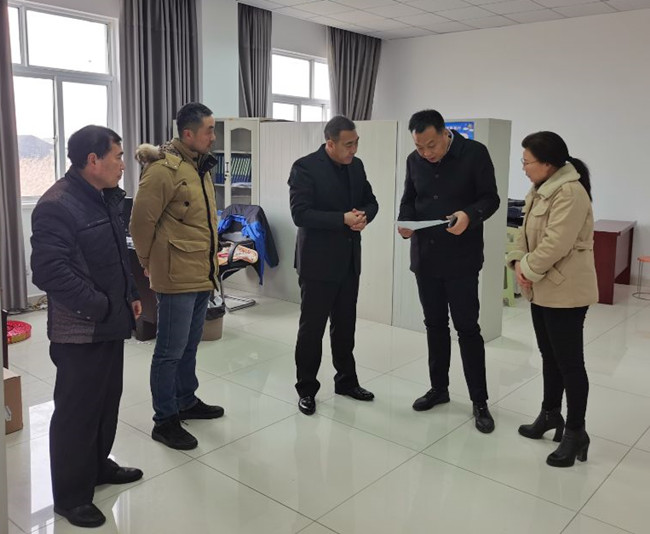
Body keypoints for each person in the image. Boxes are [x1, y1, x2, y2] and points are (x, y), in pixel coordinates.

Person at [31, 125, 143, 528]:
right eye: (117, 156)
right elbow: (49, 271)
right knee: (76, 413)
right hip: (80, 330)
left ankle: (97, 467)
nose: (122, 165)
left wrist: (130, 293)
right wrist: (100, 305)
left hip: (111, 320)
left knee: (106, 402)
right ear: (92, 160)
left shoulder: (104, 197)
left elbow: (117, 254)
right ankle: (71, 496)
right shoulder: (57, 205)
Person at [397, 109, 500, 433]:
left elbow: (491, 198)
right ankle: (438, 388)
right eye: (419, 147)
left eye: (431, 145)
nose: (426, 153)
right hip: (426, 257)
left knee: (467, 329)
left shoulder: (475, 153)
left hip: (461, 258)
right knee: (434, 325)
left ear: (445, 134)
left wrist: (470, 215)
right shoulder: (414, 161)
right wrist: (405, 221)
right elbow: (409, 198)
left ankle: (479, 401)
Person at [130, 102, 223, 451]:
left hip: (200, 271)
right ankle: (165, 419)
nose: (213, 137)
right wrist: (147, 261)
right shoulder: (162, 170)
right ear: (188, 133)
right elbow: (140, 223)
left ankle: (186, 400)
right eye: (209, 130)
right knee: (169, 350)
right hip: (174, 274)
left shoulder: (200, 166)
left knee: (189, 345)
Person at [506, 131, 597, 467]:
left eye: (527, 161)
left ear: (547, 163)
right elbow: (523, 233)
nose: (524, 167)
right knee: (549, 355)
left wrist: (526, 269)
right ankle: (550, 414)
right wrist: (518, 261)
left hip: (566, 290)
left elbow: (556, 243)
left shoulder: (570, 192)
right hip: (543, 287)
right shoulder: (539, 189)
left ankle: (576, 432)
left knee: (570, 363)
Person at [288, 115, 379, 415]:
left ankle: (346, 381)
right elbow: (301, 214)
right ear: (330, 143)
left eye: (356, 143)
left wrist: (364, 216)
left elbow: (371, 201)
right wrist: (342, 219)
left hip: (349, 261)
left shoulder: (357, 166)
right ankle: (306, 389)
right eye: (348, 144)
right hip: (317, 263)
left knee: (345, 326)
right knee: (312, 329)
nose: (354, 150)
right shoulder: (305, 167)